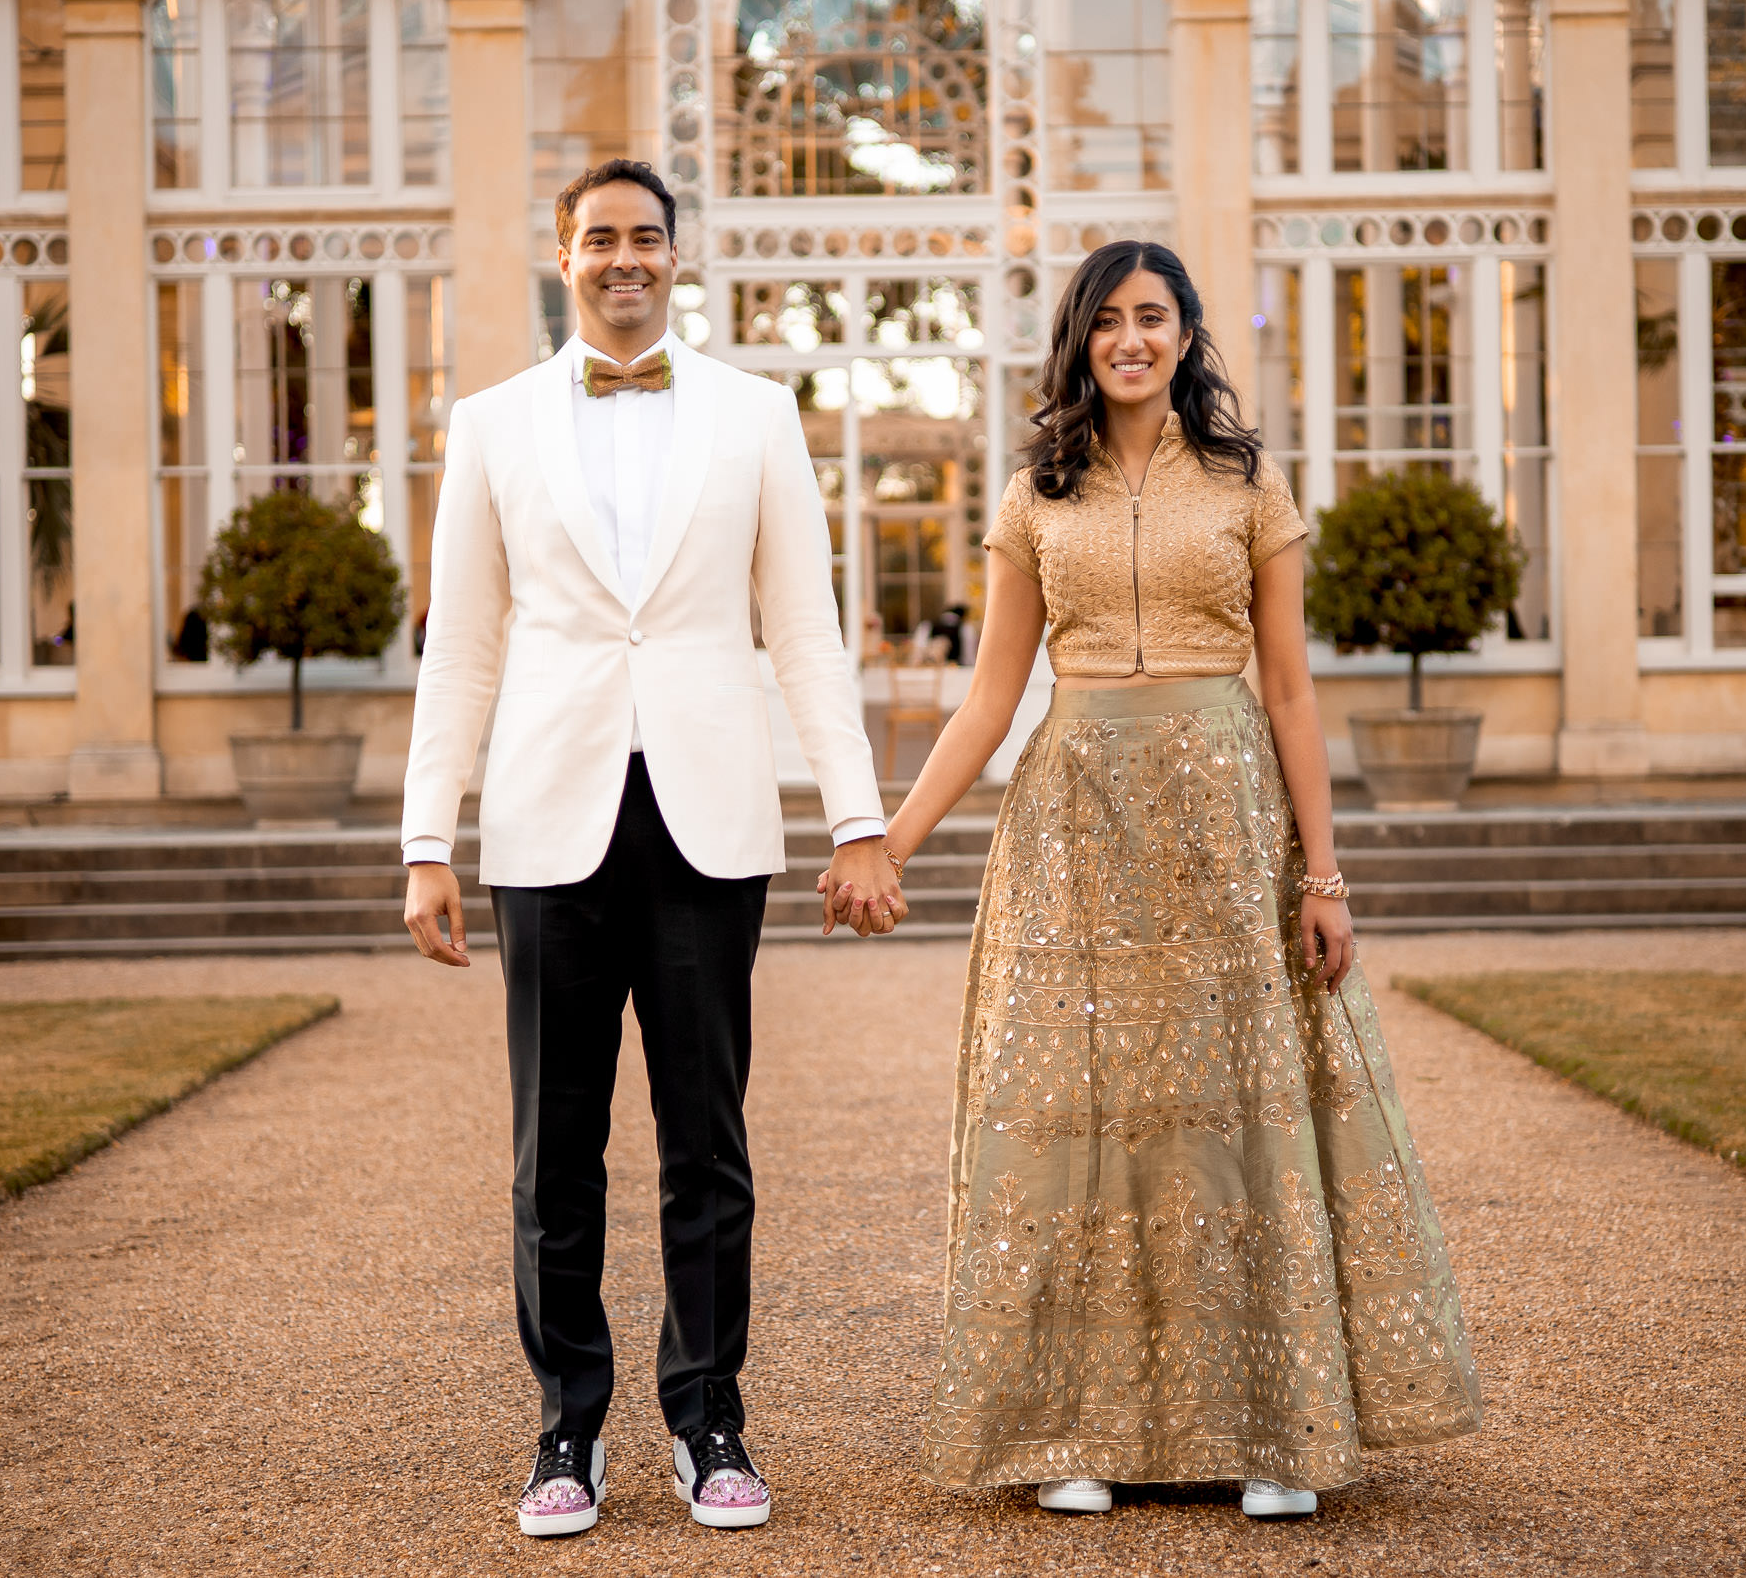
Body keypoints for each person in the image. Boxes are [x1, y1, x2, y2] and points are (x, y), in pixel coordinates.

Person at [872, 240, 1482, 1516]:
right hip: (1075, 818)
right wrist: (893, 839)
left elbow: (1293, 691)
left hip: (1224, 822)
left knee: (1237, 1105)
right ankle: (1073, 1430)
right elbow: (989, 699)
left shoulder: (1247, 488)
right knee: (1078, 1112)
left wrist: (1326, 878)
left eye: (1153, 318)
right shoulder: (1035, 493)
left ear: (1189, 335)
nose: (1130, 340)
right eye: (1108, 321)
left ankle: (1275, 1428)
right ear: (1080, 342)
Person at [400, 159, 906, 1540]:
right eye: (600, 237)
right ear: (564, 254)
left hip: (709, 816)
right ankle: (567, 1424)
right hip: (547, 819)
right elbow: (464, 644)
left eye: (646, 237)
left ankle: (709, 1414)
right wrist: (425, 838)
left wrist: (856, 814)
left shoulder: (757, 413)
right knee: (553, 1150)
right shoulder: (496, 422)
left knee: (708, 1141)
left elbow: (803, 625)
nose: (625, 257)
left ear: (678, 257)